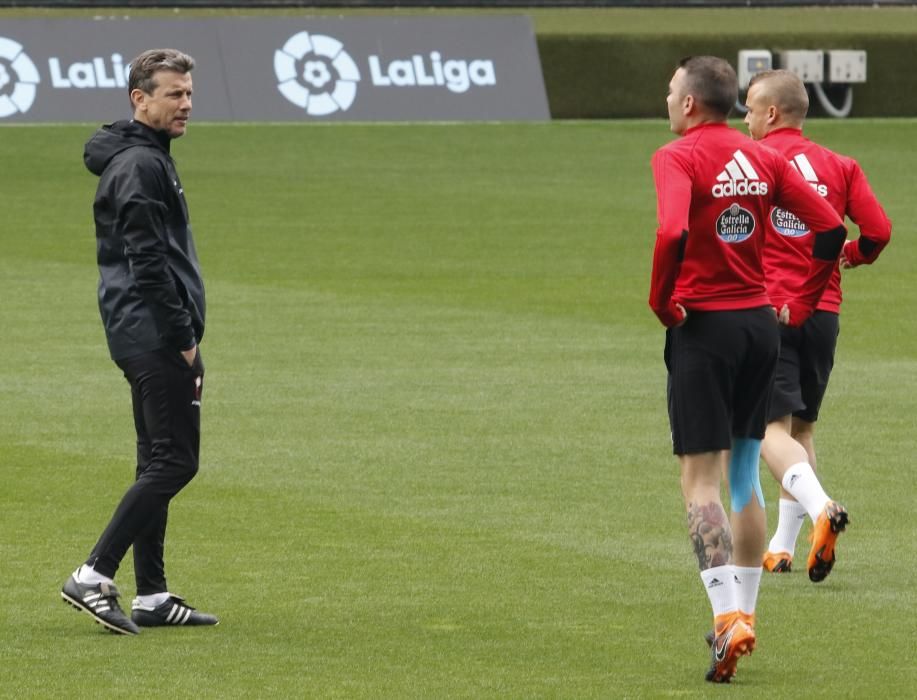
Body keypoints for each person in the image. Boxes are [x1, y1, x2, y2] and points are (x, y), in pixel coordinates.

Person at [650, 56, 846, 683]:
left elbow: (671, 229)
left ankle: (725, 617)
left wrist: (662, 300)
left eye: (671, 90)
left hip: (703, 328)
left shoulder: (676, 157)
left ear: (687, 105)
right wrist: (810, 297)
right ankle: (747, 617)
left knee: (699, 483)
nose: (668, 97)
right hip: (762, 324)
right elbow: (829, 228)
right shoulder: (765, 158)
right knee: (743, 473)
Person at [61, 48, 217, 635]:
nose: (186, 105)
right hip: (153, 333)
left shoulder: (145, 157)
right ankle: (94, 574)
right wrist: (182, 338)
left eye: (190, 93)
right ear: (139, 99)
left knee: (156, 458)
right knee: (176, 461)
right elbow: (147, 261)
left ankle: (151, 594)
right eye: (174, 94)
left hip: (142, 330)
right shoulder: (139, 167)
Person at [743, 69, 891, 582]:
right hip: (824, 313)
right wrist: (851, 254)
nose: (744, 119)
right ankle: (783, 546)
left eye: (749, 109)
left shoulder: (756, 165)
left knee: (767, 430)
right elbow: (879, 232)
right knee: (803, 427)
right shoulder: (841, 165)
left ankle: (823, 506)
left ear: (771, 113)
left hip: (771, 310)